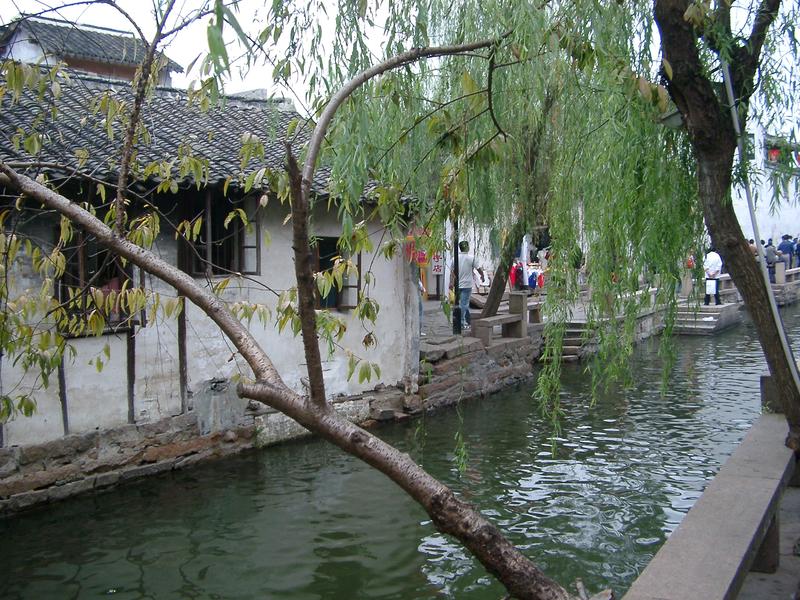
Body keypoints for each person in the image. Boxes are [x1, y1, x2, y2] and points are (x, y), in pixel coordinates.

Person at [450, 241, 479, 330]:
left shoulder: (454, 258)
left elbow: (452, 272)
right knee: (464, 304)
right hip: (467, 284)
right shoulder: (471, 258)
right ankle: (461, 323)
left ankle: (467, 320)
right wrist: (481, 276)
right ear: (468, 247)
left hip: (458, 284)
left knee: (462, 303)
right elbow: (478, 268)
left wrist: (451, 283)